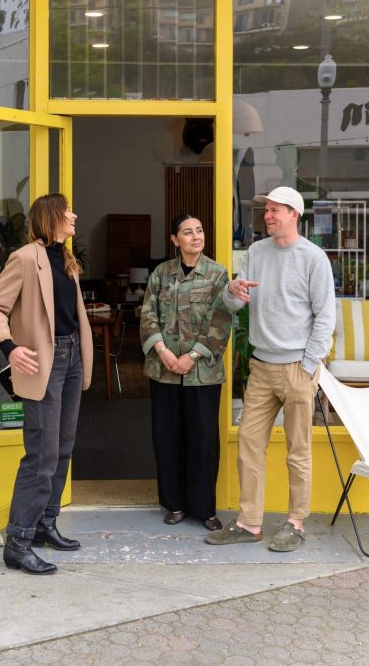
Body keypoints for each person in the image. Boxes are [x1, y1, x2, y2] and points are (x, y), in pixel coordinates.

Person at [206, 187, 335, 552]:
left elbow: (326, 317)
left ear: (294, 214)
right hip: (261, 367)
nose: (268, 215)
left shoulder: (313, 258)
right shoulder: (256, 252)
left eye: (276, 210)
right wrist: (232, 290)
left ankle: (295, 523)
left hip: (298, 367)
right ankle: (250, 523)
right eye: (266, 210)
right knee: (249, 444)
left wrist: (309, 364)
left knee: (298, 450)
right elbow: (234, 303)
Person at [0, 193, 93, 575]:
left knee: (62, 447)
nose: (74, 215)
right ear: (51, 218)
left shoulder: (67, 259)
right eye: (68, 211)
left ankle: (46, 524)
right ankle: (18, 542)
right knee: (41, 456)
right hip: (43, 364)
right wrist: (10, 348)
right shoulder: (25, 258)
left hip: (72, 358)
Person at [140, 214, 232, 531]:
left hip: (202, 373)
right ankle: (175, 504)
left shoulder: (218, 274)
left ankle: (205, 508)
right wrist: (164, 352)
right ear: (174, 239)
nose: (196, 236)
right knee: (168, 438)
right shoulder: (161, 274)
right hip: (163, 371)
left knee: (203, 439)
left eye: (200, 231)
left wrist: (191, 356)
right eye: (188, 232)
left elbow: (221, 322)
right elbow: (147, 316)